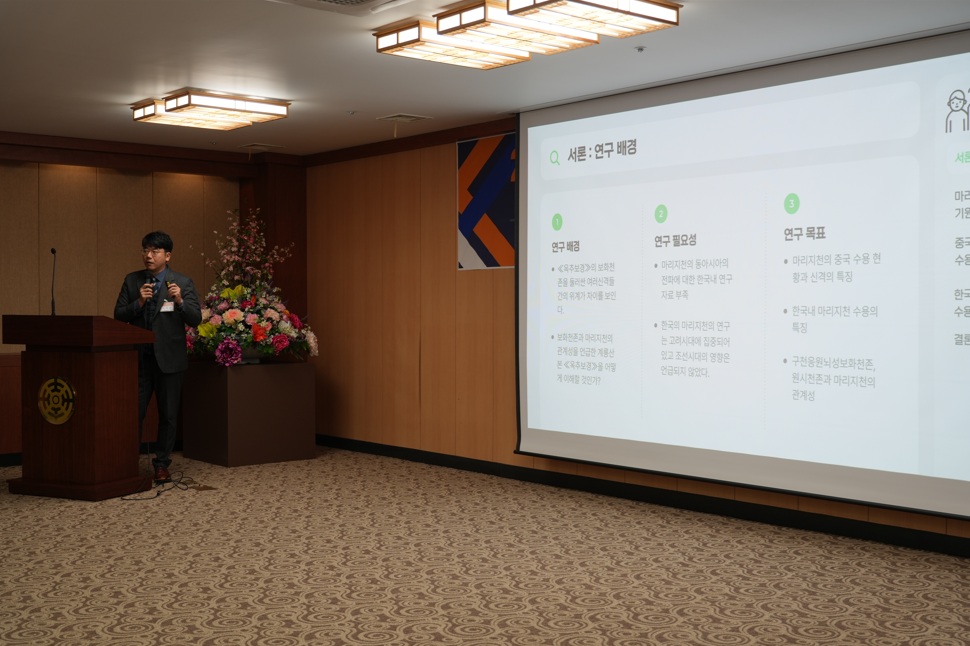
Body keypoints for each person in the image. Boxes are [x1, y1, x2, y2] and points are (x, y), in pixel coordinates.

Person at [114, 231, 201, 483]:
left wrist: (180, 301)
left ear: (167, 255)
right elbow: (118, 314)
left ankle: (162, 464)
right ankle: (126, 463)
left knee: (168, 416)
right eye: (145, 250)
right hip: (139, 360)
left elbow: (195, 319)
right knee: (133, 414)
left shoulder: (182, 282)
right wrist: (139, 303)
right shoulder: (132, 281)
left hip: (169, 361)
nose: (148, 255)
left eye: (154, 251)